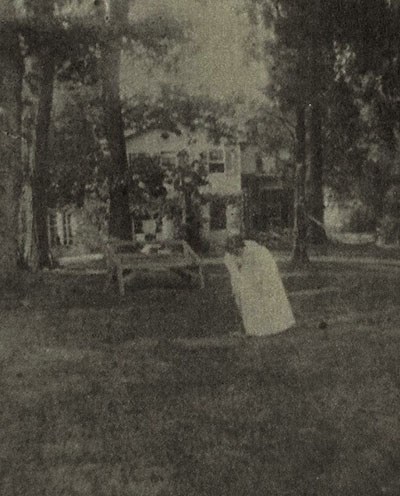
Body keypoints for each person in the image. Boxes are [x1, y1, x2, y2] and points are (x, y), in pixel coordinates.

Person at [224, 235, 295, 336]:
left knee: (264, 294)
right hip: (253, 271)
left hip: (264, 268)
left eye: (238, 250)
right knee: (244, 295)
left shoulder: (253, 252)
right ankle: (248, 327)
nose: (237, 253)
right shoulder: (229, 258)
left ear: (241, 246)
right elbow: (235, 277)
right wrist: (236, 290)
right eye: (234, 251)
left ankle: (269, 325)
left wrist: (256, 284)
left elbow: (255, 276)